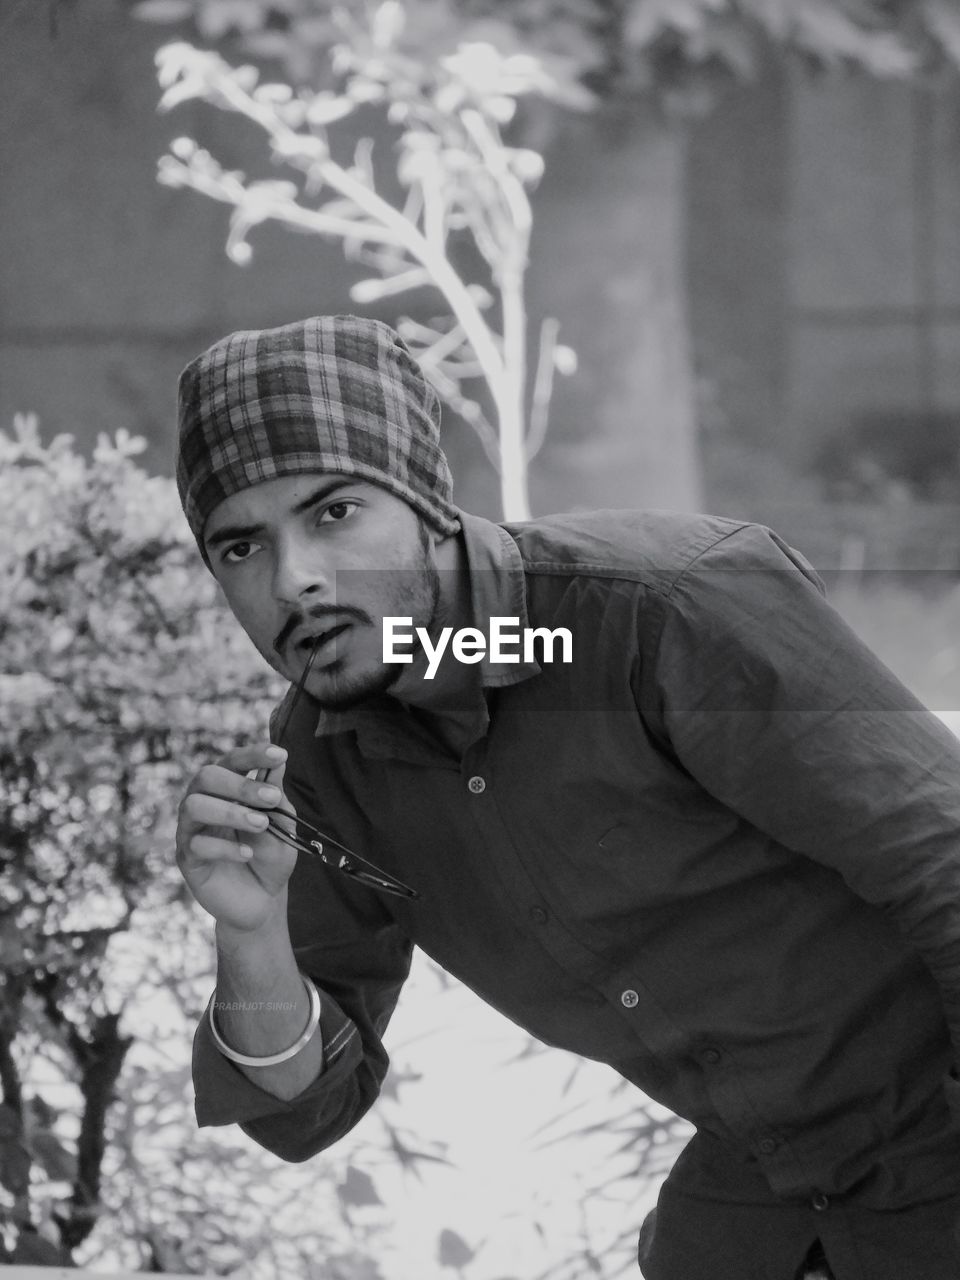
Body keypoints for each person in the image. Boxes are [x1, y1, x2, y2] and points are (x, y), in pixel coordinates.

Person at [174, 314, 960, 1280]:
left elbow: (945, 860)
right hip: (759, 1197)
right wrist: (251, 937)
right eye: (241, 549)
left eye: (334, 513)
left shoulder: (662, 610)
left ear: (426, 500)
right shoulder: (324, 765)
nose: (295, 578)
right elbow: (307, 1108)